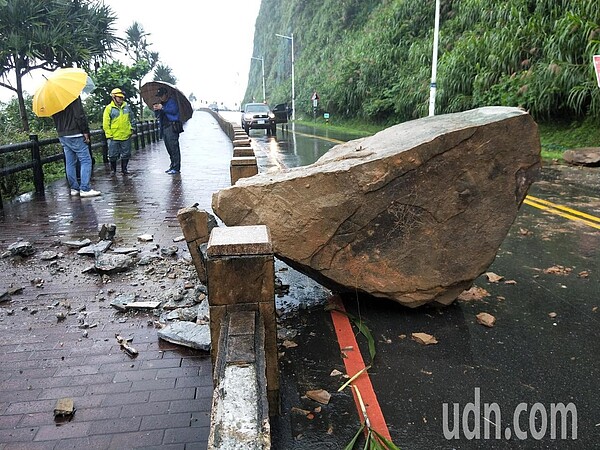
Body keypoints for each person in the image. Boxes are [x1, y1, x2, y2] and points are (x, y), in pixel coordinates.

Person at [52, 96, 101, 197]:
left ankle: (74, 188)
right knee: (86, 160)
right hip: (75, 133)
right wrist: (85, 131)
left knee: (70, 162)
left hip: (62, 134)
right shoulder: (72, 96)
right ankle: (85, 188)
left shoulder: (54, 99)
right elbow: (79, 115)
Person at [103, 88, 134, 174]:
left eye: (121, 97)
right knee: (112, 155)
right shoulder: (109, 108)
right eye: (118, 97)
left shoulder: (127, 107)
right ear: (113, 97)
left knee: (126, 154)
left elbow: (132, 119)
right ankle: (113, 170)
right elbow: (106, 123)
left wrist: (132, 129)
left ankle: (124, 169)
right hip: (113, 136)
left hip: (125, 135)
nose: (121, 99)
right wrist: (109, 135)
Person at [153, 87, 181, 174]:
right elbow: (158, 116)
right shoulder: (162, 103)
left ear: (166, 94)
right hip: (164, 127)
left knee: (174, 148)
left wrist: (163, 108)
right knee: (169, 148)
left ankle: (176, 168)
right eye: (159, 96)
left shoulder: (172, 102)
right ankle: (172, 165)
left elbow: (174, 111)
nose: (160, 97)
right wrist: (156, 109)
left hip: (172, 127)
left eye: (161, 95)